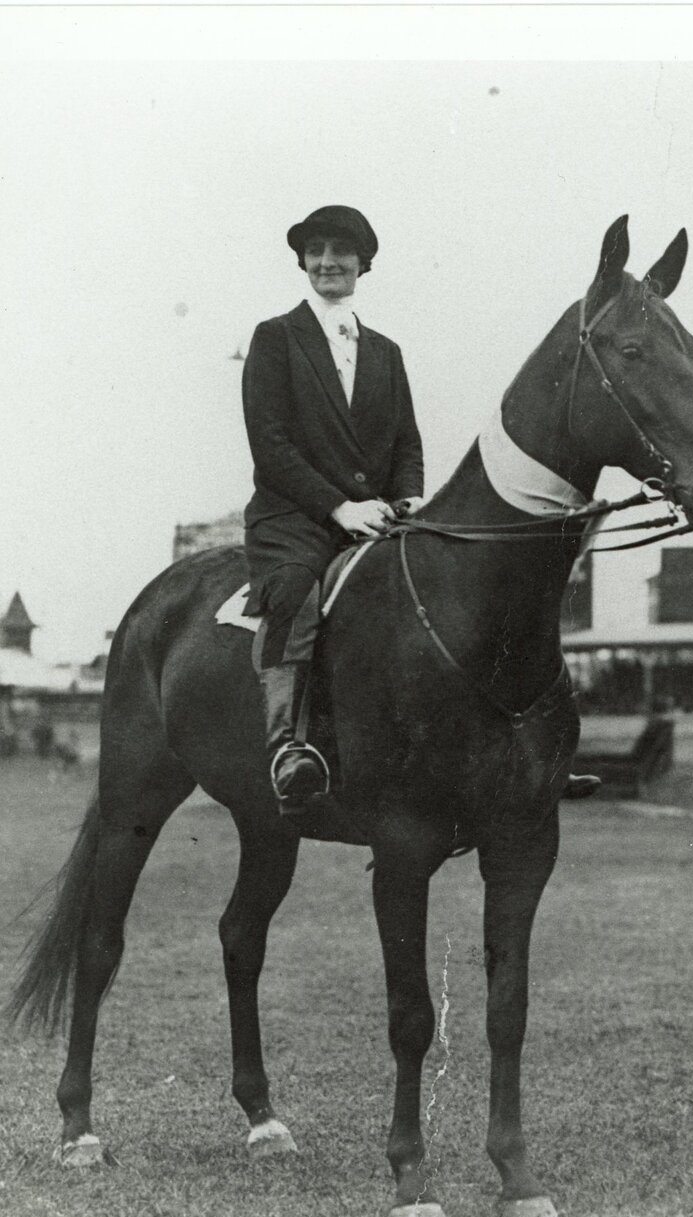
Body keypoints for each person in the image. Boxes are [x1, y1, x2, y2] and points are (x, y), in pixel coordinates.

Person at [242, 205, 425, 811]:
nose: (327, 262)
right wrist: (339, 508)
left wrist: (408, 496)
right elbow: (270, 446)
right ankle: (288, 748)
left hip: (375, 517)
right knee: (297, 589)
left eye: (340, 251)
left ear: (362, 262)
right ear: (303, 260)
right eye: (315, 250)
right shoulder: (275, 337)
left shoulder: (387, 352)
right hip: (293, 518)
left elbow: (406, 442)